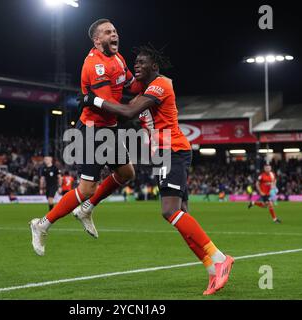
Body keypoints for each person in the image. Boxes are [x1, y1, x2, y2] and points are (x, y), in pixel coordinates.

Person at [78, 44, 234, 295]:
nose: (136, 66)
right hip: (165, 154)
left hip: (173, 151)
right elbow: (121, 97)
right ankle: (212, 269)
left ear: (154, 67)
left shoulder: (161, 84)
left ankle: (219, 258)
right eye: (135, 62)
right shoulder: (146, 89)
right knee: (182, 214)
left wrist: (93, 99)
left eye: (141, 63)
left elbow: (128, 111)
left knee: (169, 211)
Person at [30, 18, 142, 248]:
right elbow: (110, 104)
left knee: (126, 173)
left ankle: (86, 210)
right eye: (108, 32)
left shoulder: (118, 59)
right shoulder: (95, 65)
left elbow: (132, 85)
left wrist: (153, 84)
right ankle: (42, 224)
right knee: (86, 188)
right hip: (92, 131)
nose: (114, 35)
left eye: (115, 31)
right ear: (97, 39)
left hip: (108, 129)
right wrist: (134, 110)